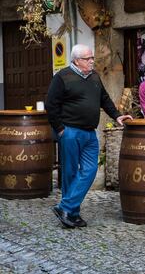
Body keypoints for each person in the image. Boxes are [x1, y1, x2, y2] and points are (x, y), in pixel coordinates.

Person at [46, 44, 132, 228]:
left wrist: (117, 116)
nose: (92, 61)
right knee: (69, 173)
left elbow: (104, 99)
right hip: (70, 132)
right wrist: (61, 129)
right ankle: (72, 214)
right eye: (88, 58)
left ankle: (65, 208)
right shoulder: (63, 77)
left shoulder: (94, 77)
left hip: (90, 134)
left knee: (90, 170)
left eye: (92, 58)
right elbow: (50, 105)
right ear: (76, 60)